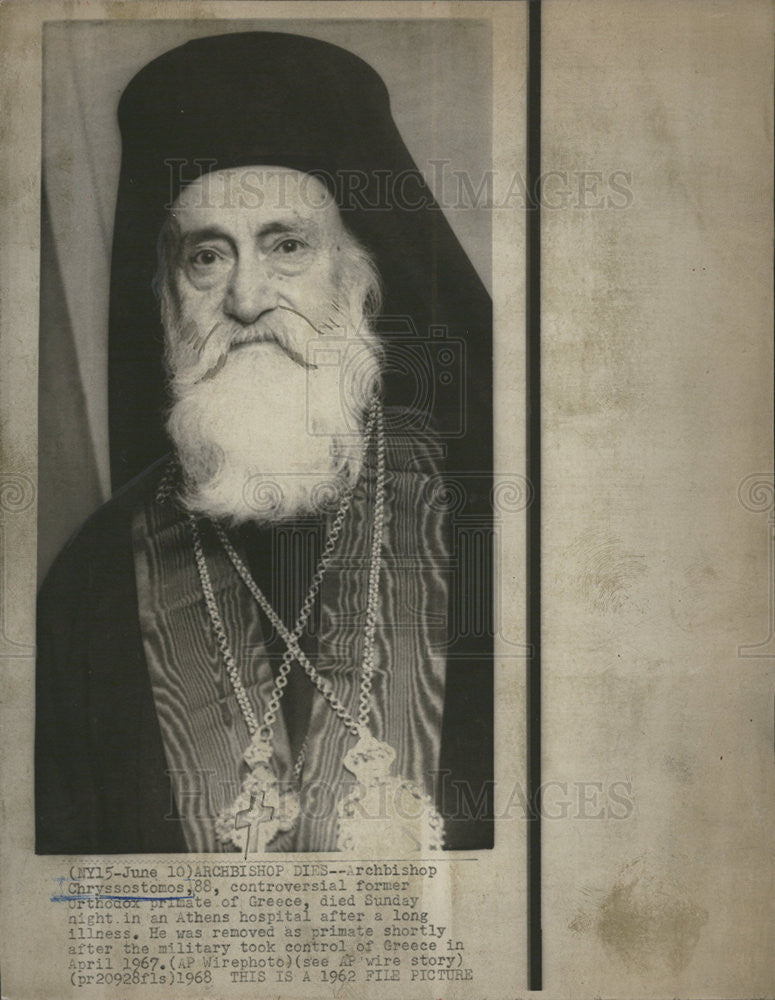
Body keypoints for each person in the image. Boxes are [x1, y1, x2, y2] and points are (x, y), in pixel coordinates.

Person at [35, 31, 493, 854]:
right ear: (169, 300)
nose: (246, 298)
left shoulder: (495, 527)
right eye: (207, 257)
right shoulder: (90, 584)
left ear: (356, 274)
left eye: (287, 245)